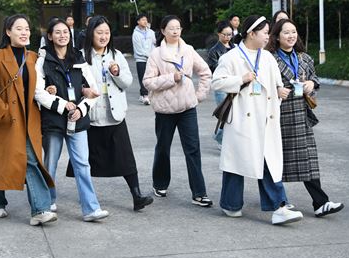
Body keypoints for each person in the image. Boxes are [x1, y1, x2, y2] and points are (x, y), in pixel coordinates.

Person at [211, 15, 304, 225]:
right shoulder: (232, 57)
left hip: (266, 119)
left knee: (267, 161)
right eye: (264, 33)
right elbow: (216, 83)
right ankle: (230, 203)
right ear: (251, 33)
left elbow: (276, 83)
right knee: (237, 163)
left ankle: (279, 206)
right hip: (243, 119)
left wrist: (279, 90)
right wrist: (240, 79)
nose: (267, 36)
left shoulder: (268, 57)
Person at [0, 14, 57, 226]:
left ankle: (40, 209)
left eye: (27, 29)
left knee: (31, 161)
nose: (24, 33)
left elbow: (36, 86)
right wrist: (2, 110)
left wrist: (47, 89)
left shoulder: (33, 57)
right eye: (19, 29)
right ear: (8, 32)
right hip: (4, 120)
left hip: (29, 119)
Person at [267, 18, 344, 217]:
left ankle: (320, 203)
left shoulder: (304, 58)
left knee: (307, 159)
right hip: (279, 116)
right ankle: (278, 201)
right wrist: (276, 89)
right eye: (286, 32)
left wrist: (311, 83)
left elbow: (315, 79)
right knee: (276, 161)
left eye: (294, 32)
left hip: (301, 114)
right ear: (276, 37)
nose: (291, 36)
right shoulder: (269, 59)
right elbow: (261, 85)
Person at [35, 18, 109, 222]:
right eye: (57, 32)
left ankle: (91, 209)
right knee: (50, 163)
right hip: (54, 121)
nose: (62, 35)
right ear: (49, 36)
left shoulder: (78, 57)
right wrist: (61, 105)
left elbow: (93, 90)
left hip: (78, 120)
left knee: (82, 164)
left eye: (65, 32)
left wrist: (82, 109)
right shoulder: (43, 60)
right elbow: (38, 92)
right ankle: (47, 202)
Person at [80, 15, 154, 211]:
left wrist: (116, 73)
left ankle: (137, 195)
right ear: (91, 34)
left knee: (126, 157)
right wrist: (83, 91)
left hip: (115, 114)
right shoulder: (81, 56)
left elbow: (128, 82)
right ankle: (88, 198)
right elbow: (75, 84)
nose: (103, 36)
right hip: (93, 114)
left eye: (106, 32)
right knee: (86, 160)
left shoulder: (116, 55)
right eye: (99, 32)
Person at [143, 15, 213, 207]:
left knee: (193, 149)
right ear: (163, 31)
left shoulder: (188, 50)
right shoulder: (156, 54)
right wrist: (171, 78)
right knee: (163, 147)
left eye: (178, 27)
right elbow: (147, 82)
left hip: (187, 108)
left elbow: (206, 72)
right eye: (171, 28)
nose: (175, 31)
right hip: (165, 110)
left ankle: (199, 192)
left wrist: (198, 96)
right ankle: (160, 183)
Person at [206, 20, 235, 147]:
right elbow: (214, 69)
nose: (227, 37)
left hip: (235, 84)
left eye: (230, 34)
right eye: (225, 34)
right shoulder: (213, 51)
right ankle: (220, 138)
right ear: (219, 34)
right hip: (222, 87)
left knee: (233, 114)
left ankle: (221, 137)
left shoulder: (235, 48)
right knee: (225, 114)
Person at [132, 13, 156, 105]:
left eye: (146, 19)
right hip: (141, 59)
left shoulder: (151, 32)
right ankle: (144, 96)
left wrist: (153, 55)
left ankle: (150, 94)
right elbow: (138, 49)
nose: (145, 21)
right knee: (143, 77)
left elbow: (154, 44)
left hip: (151, 59)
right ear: (138, 22)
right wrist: (149, 55)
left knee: (152, 76)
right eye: (142, 20)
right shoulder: (135, 34)